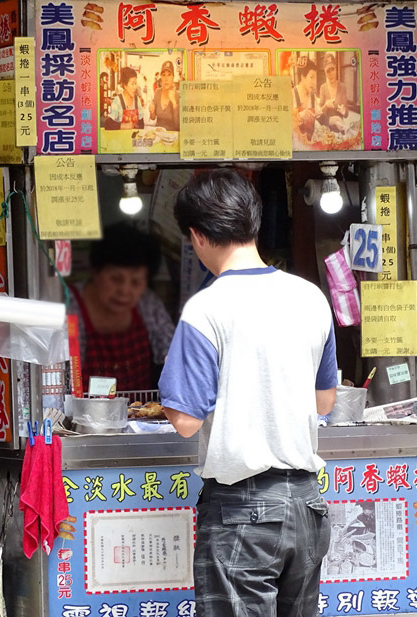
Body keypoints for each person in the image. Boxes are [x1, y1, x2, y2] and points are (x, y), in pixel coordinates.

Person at [159, 168, 338, 617]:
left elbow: (185, 422)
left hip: (243, 510)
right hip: (306, 504)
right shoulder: (310, 297)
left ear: (197, 236)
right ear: (253, 224)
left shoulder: (206, 308)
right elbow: (325, 402)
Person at [69, 223, 175, 392]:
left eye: (136, 282)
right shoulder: (71, 306)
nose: (125, 291)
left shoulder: (147, 304)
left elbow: (171, 353)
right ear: (96, 272)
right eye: (116, 279)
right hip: (82, 414)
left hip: (140, 411)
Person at [317, 52, 350, 131]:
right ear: (325, 73)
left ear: (336, 69)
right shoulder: (323, 88)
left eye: (333, 69)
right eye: (328, 71)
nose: (331, 74)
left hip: (340, 128)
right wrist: (326, 105)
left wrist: (343, 110)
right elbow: (319, 113)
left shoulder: (343, 87)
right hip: (326, 129)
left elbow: (346, 114)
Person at [148, 60, 180, 131]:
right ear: (161, 77)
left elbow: (178, 126)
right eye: (163, 75)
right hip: (158, 133)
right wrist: (151, 111)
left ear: (173, 77)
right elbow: (153, 118)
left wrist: (174, 103)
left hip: (172, 136)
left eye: (169, 75)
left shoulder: (178, 95)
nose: (166, 79)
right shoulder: (157, 92)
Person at [292, 58, 318, 141]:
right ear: (302, 77)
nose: (314, 82)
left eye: (315, 78)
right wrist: (298, 116)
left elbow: (322, 117)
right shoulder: (291, 95)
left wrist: (333, 120)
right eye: (311, 77)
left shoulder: (313, 97)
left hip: (309, 145)